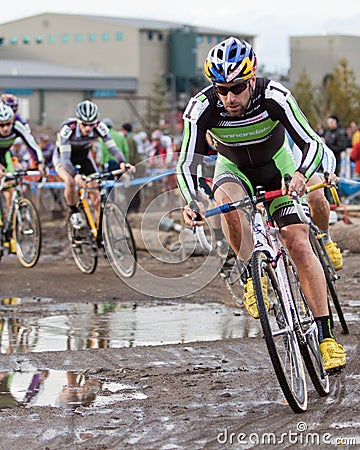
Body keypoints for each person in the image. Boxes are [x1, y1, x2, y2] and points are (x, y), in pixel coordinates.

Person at [177, 37, 346, 373]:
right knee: (228, 206)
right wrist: (191, 200)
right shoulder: (202, 107)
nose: (229, 97)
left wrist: (300, 174)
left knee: (298, 243)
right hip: (233, 169)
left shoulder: (274, 96)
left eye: (237, 88)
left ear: (251, 80)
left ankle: (326, 337)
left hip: (278, 167)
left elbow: (311, 142)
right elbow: (186, 163)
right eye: (221, 89)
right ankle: (251, 274)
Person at [53, 100, 133, 229]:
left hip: (84, 156)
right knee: (70, 181)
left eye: (91, 124)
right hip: (63, 157)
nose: (88, 128)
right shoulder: (67, 129)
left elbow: (114, 149)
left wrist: (123, 163)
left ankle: (99, 230)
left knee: (96, 192)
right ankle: (74, 211)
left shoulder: (100, 127)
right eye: (84, 124)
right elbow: (66, 160)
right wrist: (75, 175)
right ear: (78, 121)